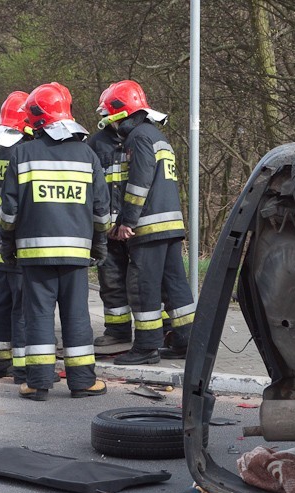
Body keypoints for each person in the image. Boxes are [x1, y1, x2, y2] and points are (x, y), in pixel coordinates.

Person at [0, 82, 110, 401]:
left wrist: (8, 246)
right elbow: (102, 211)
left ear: (35, 119)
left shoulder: (22, 153)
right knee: (77, 316)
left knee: (38, 317)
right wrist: (98, 246)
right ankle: (82, 381)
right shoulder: (87, 154)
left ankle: (38, 382)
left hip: (35, 255)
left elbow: (8, 212)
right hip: (76, 255)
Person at [107, 80, 196, 365]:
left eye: (113, 116)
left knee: (143, 286)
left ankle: (146, 347)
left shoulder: (138, 138)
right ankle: (186, 341)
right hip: (168, 226)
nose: (112, 123)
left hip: (147, 227)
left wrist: (126, 221)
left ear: (123, 113)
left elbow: (139, 182)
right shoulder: (157, 135)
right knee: (175, 287)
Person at [0, 91, 33, 381]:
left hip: (0, 241)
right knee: (23, 307)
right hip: (19, 243)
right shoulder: (21, 154)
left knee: (0, 304)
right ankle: (23, 366)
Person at [87, 84, 133, 353]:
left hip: (134, 226)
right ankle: (117, 331)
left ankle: (161, 333)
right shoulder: (97, 142)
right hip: (107, 225)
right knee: (111, 280)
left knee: (146, 283)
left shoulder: (139, 139)